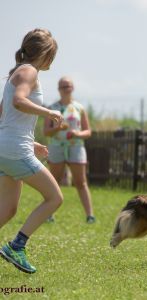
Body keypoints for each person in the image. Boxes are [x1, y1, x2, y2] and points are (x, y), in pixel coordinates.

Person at [0, 28, 63, 274]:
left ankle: (16, 245)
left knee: (7, 208)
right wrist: (50, 112)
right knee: (55, 198)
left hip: (8, 147)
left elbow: (5, 112)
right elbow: (18, 101)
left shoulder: (17, 72)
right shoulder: (28, 71)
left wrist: (29, 140)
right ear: (46, 53)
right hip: (15, 150)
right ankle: (17, 246)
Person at [44, 77, 95, 224]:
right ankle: (48, 214)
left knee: (81, 182)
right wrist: (58, 128)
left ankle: (90, 215)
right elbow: (46, 131)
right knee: (54, 182)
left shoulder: (79, 108)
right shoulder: (51, 108)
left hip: (76, 147)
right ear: (59, 89)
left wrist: (77, 134)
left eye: (68, 86)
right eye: (63, 86)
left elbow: (88, 131)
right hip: (56, 147)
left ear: (72, 88)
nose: (66, 89)